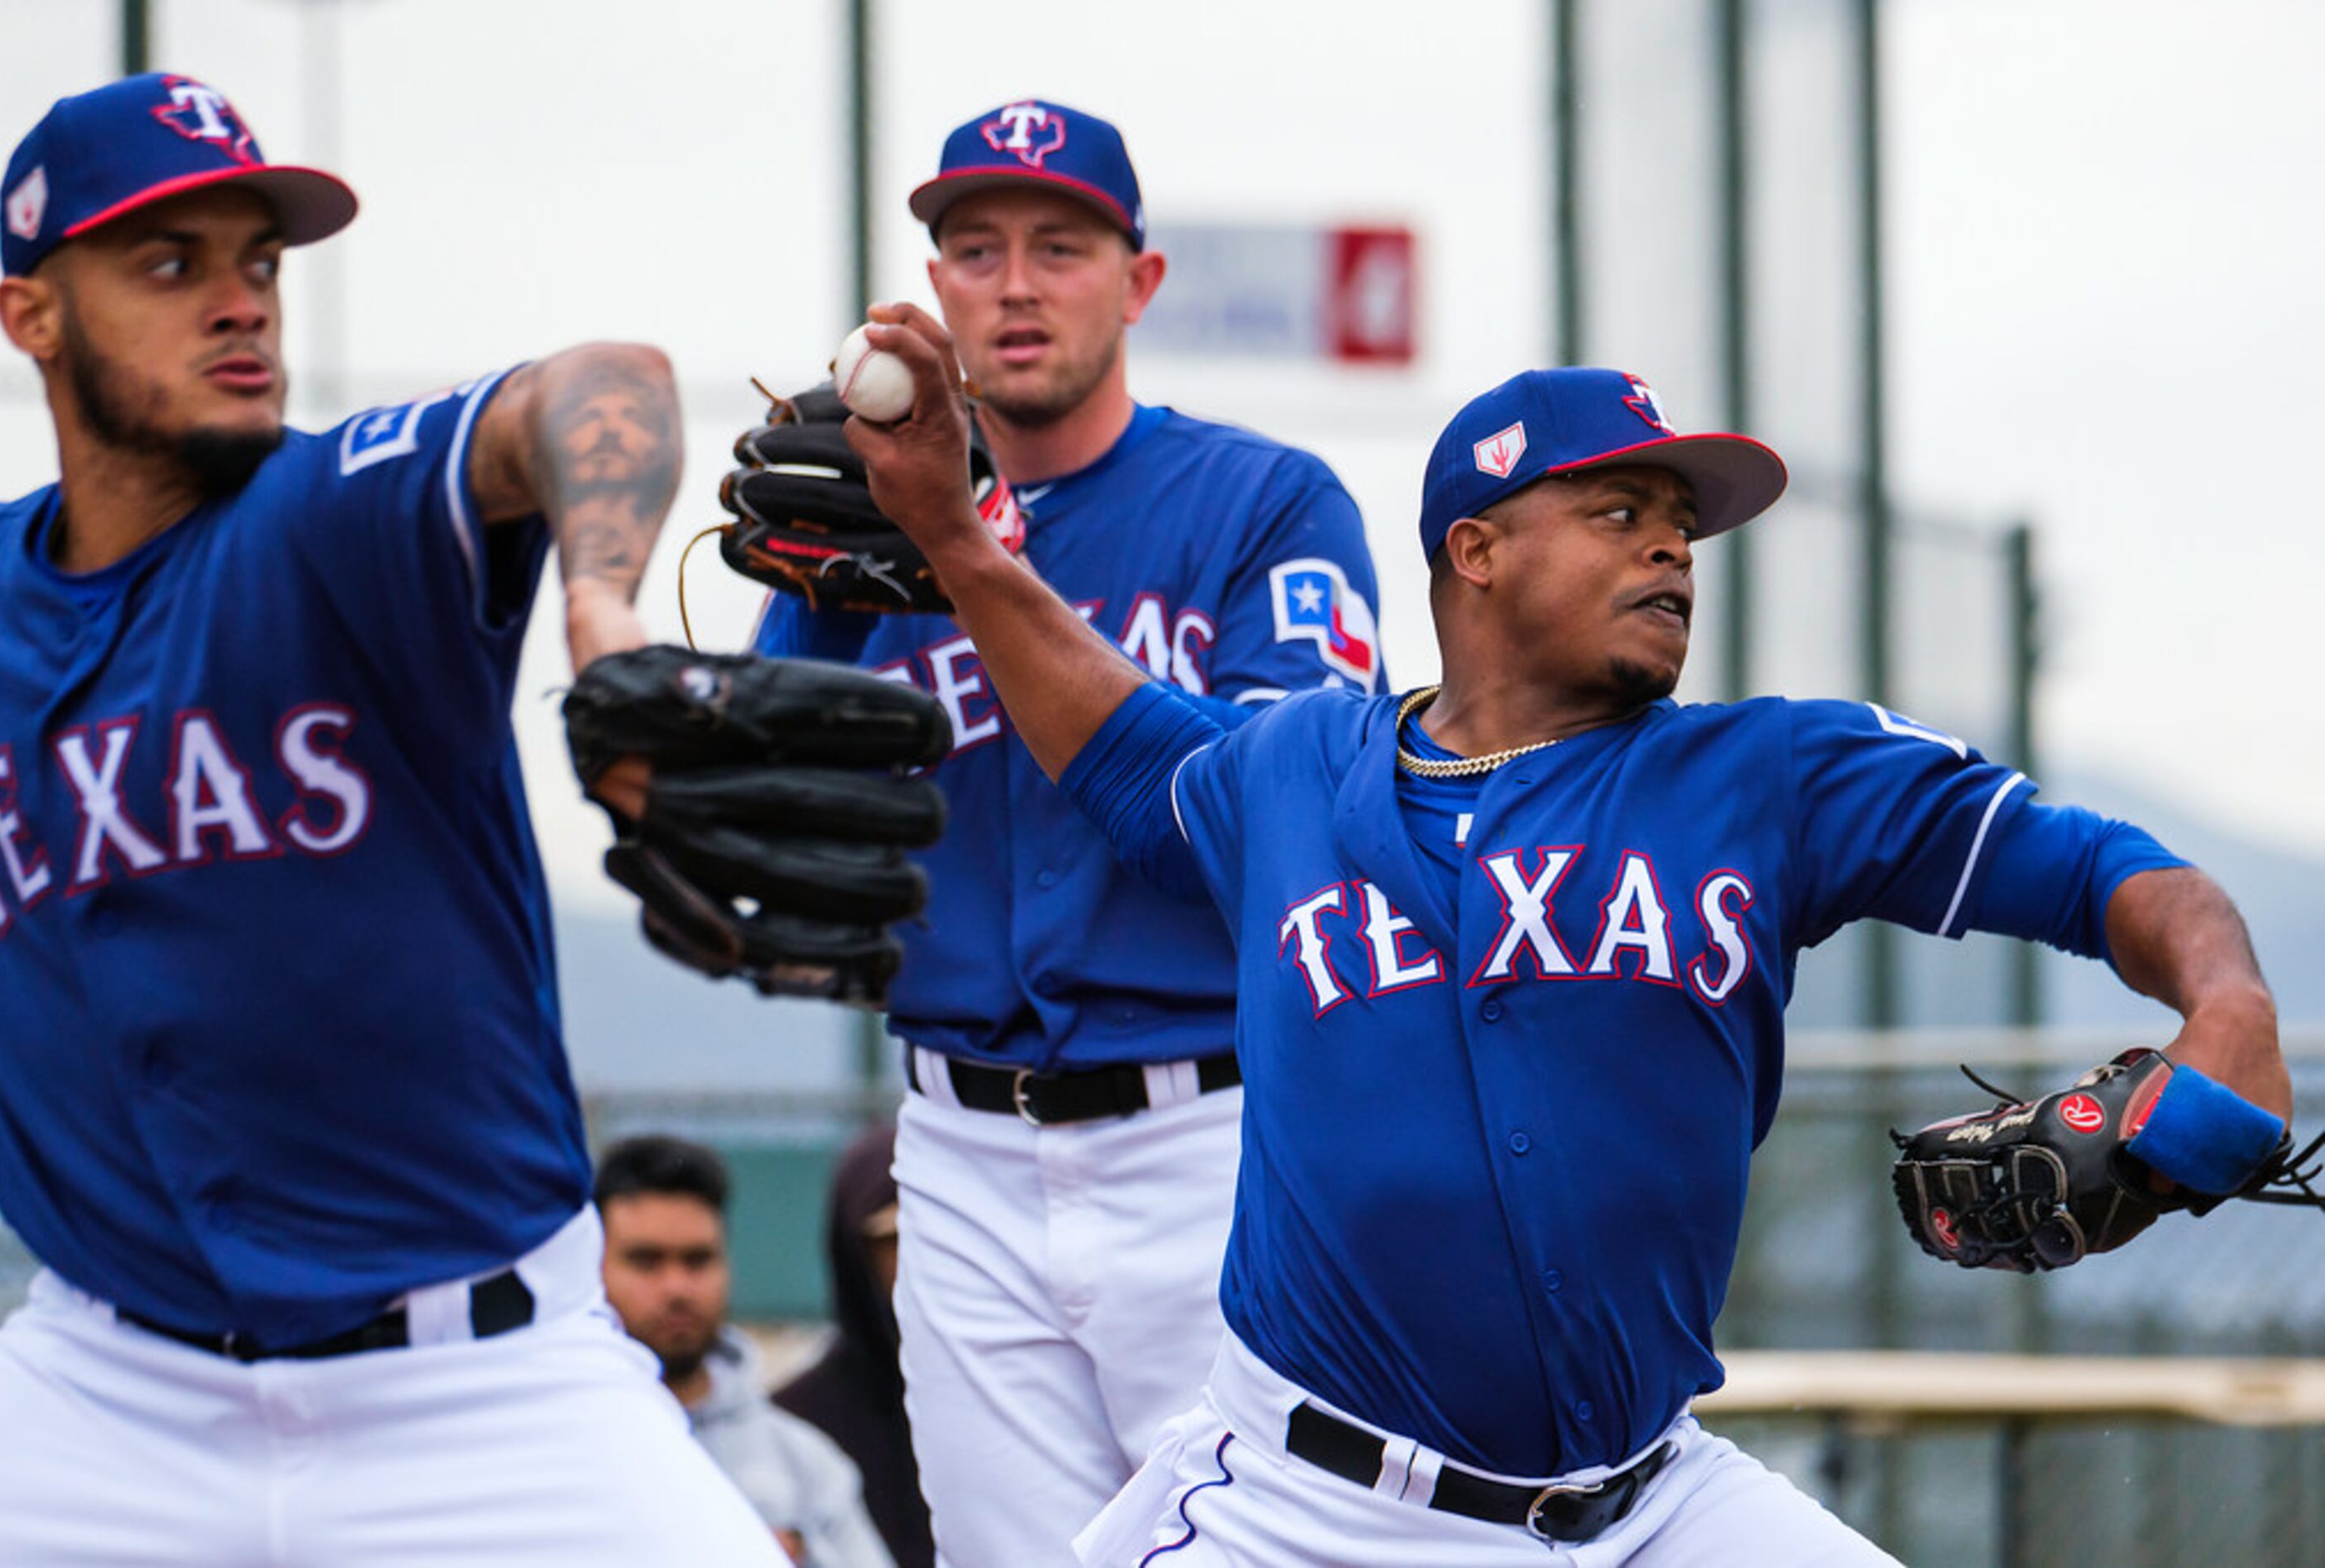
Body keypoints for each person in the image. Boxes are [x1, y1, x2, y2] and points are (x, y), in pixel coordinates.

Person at [835, 311, 2295, 1565]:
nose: (1672, 544)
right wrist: (959, 537)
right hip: (1310, 1511)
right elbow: (1106, 725)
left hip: (1653, 1505)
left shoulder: (1773, 778)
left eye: (1683, 521)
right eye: (1619, 510)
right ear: (1475, 548)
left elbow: (2106, 870)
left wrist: (2225, 1002)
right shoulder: (1284, 775)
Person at [0, 73, 789, 1565]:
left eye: (259, 264)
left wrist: (601, 602)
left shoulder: (334, 515)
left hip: (483, 1387)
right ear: (32, 314)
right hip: (102, 1392)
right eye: (171, 264)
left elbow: (597, 381)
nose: (239, 304)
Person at [752, 98, 1387, 1565]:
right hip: (959, 1156)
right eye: (974, 249)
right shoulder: (853, 532)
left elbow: (1268, 821)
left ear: (1139, 282)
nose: (1016, 283)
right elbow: (786, 817)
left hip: (1217, 1139)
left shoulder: (1266, 502)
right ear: (932, 286)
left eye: (1060, 244)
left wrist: (973, 542)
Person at [595, 1135, 896, 1568]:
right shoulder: (559, 1446)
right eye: (646, 1261)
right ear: (595, 1267)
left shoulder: (805, 1464)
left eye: (697, 1260)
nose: (677, 1288)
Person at [775, 1121, 934, 1568]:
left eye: (932, 1237)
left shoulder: (1016, 1400)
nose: (914, 1262)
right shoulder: (796, 1427)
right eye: (892, 1240)